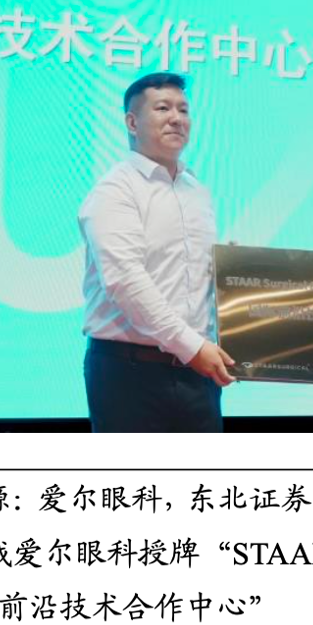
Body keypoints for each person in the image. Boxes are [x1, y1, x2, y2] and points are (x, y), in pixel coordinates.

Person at [79, 72, 235, 432]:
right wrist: (191, 347)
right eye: (163, 108)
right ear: (132, 123)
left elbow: (193, 274)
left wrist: (234, 269)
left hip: (197, 372)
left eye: (183, 109)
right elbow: (125, 281)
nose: (177, 118)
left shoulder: (197, 191)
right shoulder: (114, 191)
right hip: (130, 373)